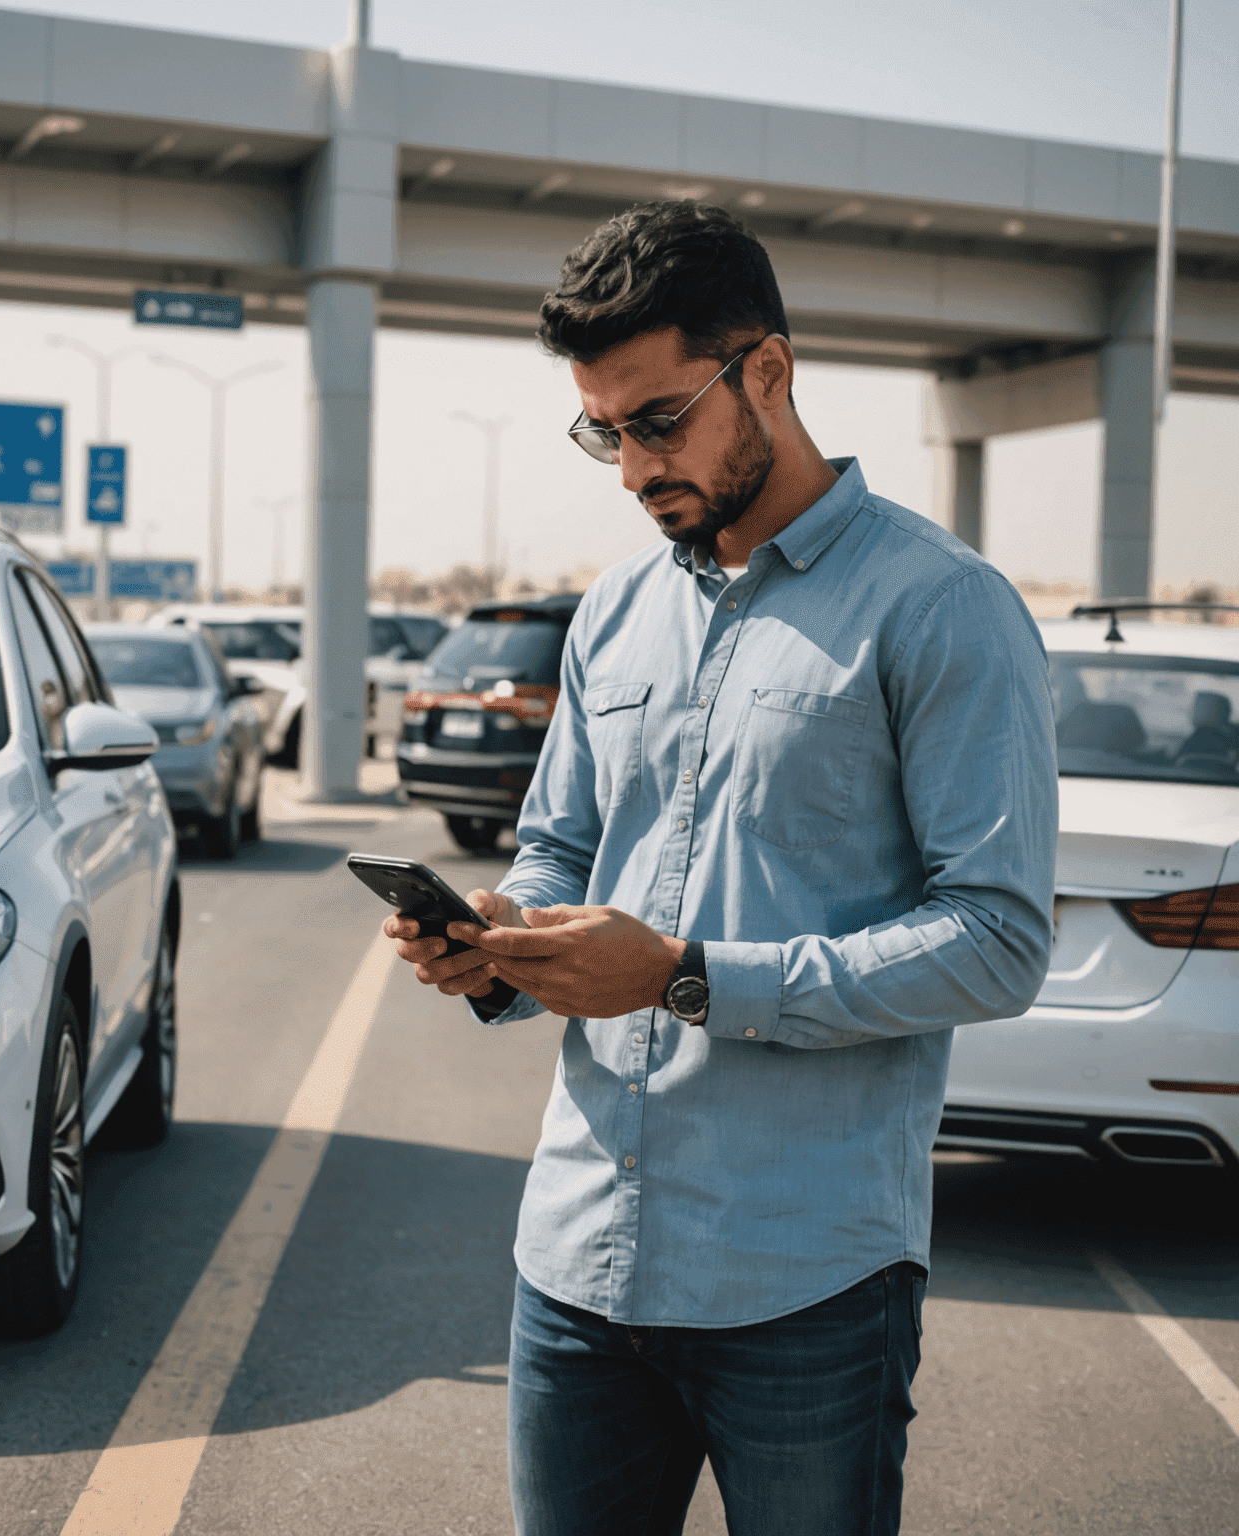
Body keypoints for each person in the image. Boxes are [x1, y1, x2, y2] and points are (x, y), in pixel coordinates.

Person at [385, 200, 1058, 1536]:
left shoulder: (941, 607)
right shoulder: (619, 610)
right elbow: (561, 847)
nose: (630, 470)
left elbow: (997, 937)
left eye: (657, 421)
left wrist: (688, 978)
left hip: (803, 1286)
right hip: (575, 1267)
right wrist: (494, 946)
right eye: (601, 430)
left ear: (769, 373)